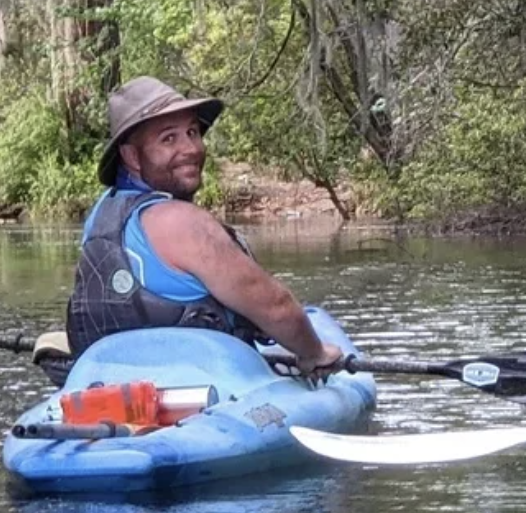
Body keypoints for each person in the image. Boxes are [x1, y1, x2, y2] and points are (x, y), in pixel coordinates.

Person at [64, 76, 345, 380]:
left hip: (115, 383)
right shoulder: (181, 222)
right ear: (131, 156)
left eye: (192, 132)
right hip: (203, 386)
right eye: (168, 139)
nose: (190, 148)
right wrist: (314, 353)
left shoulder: (102, 214)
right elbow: (276, 307)